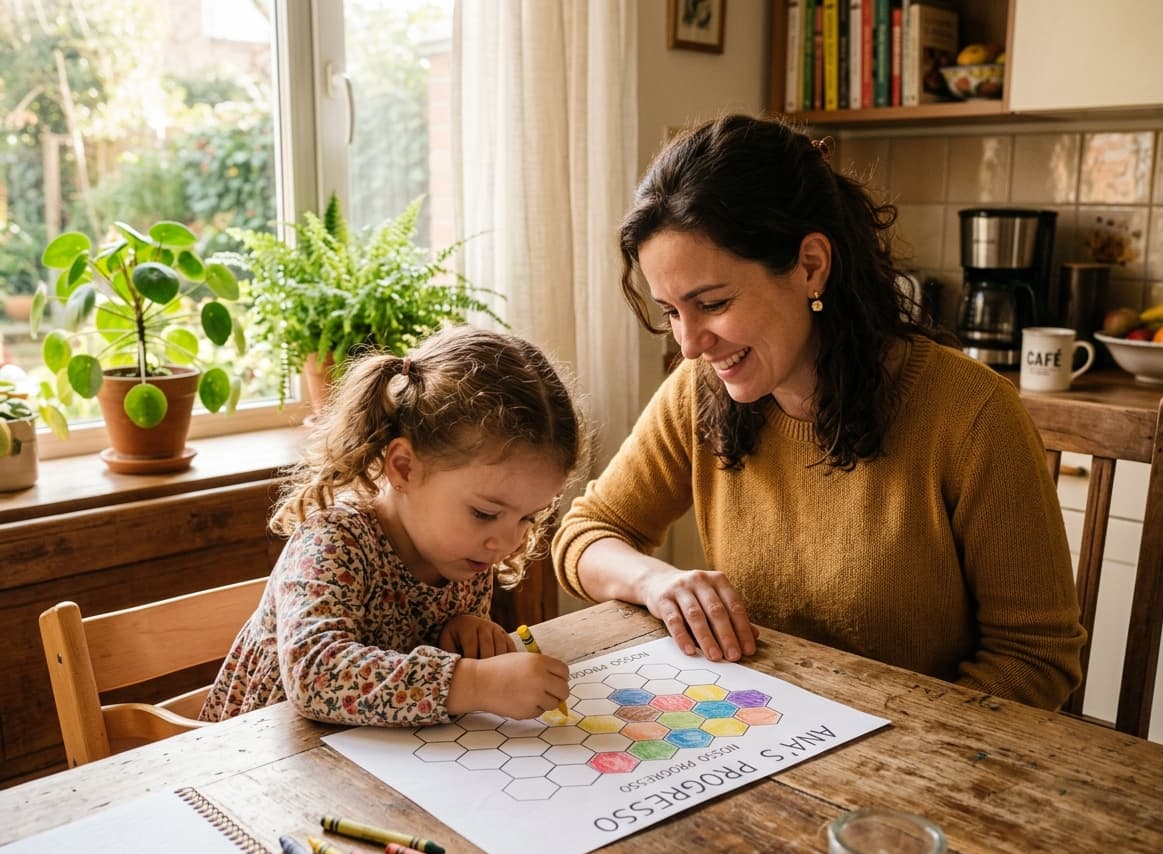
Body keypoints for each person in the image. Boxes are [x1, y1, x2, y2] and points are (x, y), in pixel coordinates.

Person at [551, 114, 1085, 711]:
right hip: (763, 731)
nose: (690, 343)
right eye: (672, 311)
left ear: (810, 265)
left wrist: (904, 751)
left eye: (714, 303)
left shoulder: (972, 415)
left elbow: (1036, 658)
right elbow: (583, 535)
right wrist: (655, 581)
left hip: (918, 770)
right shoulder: (697, 392)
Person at [201, 326, 586, 726]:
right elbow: (314, 673)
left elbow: (411, 665)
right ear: (403, 467)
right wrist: (473, 683)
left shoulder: (463, 555)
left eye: (527, 517)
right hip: (259, 761)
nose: (506, 542)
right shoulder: (335, 542)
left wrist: (461, 630)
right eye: (485, 513)